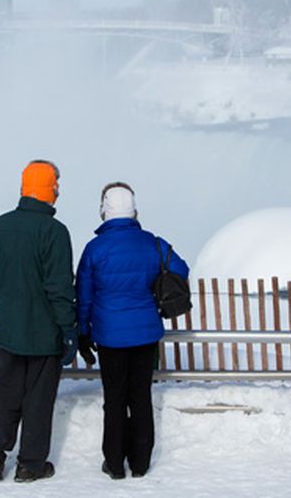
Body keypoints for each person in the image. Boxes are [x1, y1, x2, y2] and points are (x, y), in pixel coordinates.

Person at [75, 182, 189, 480]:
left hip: (109, 335)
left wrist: (83, 332)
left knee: (114, 399)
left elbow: (84, 295)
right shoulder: (152, 242)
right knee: (140, 396)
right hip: (145, 334)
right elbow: (181, 269)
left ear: (104, 211)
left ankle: (114, 463)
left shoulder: (94, 248)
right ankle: (140, 463)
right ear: (134, 210)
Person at [0, 160, 78, 483]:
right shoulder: (54, 232)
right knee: (38, 398)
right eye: (57, 186)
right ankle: (30, 464)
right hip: (44, 333)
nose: (59, 192)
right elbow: (59, 288)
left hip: (11, 330)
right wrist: (68, 329)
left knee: (6, 393)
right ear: (49, 189)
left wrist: (8, 306)